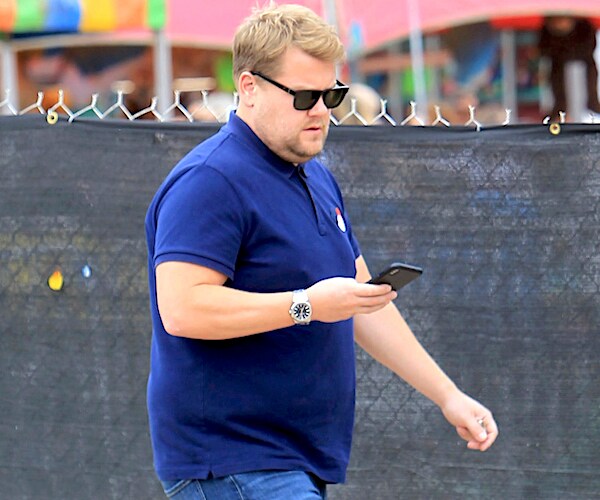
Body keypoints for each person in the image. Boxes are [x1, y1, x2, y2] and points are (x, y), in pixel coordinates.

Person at [145, 3, 498, 499]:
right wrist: (306, 305)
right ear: (249, 87)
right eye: (305, 96)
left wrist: (447, 394)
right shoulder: (210, 179)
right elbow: (183, 309)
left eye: (331, 94)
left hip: (287, 459)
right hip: (232, 460)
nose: (320, 110)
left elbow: (362, 301)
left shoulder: (314, 174)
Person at [538, 16, 600, 120]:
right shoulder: (556, 63)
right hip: (562, 105)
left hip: (588, 104)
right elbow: (544, 50)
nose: (560, 24)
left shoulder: (585, 30)